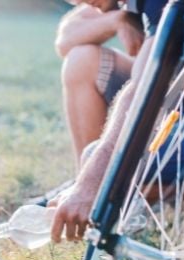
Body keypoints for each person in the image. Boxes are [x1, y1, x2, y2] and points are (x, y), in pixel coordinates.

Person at [49, 0, 168, 242]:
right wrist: (117, 19)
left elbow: (147, 87)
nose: (78, 2)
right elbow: (65, 39)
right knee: (81, 59)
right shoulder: (122, 5)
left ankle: (103, 193)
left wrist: (97, 173)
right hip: (163, 93)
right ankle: (86, 196)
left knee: (143, 83)